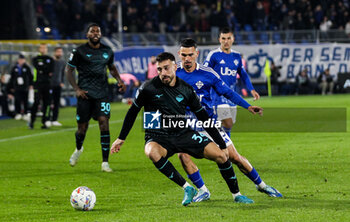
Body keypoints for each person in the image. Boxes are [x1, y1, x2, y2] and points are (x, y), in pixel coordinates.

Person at [110, 52, 262, 206]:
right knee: (151, 152)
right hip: (158, 136)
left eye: (166, 68)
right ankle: (187, 188)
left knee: (222, 156)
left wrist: (222, 145)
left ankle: (237, 195)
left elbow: (203, 117)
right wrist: (121, 138)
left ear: (175, 67)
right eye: (160, 70)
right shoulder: (147, 88)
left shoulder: (186, 89)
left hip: (183, 133)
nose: (163, 73)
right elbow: (132, 113)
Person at [176, 38, 282, 202]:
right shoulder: (173, 74)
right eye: (184, 55)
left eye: (190, 55)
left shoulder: (207, 74)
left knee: (234, 157)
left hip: (209, 124)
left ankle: (261, 185)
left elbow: (227, 92)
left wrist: (247, 106)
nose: (187, 59)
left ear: (196, 54)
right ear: (179, 54)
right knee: (182, 155)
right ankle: (202, 190)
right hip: (188, 125)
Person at [66, 23, 125, 172]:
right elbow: (69, 70)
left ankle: (105, 162)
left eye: (98, 31)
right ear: (87, 34)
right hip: (85, 95)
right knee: (82, 129)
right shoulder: (79, 51)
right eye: (92, 31)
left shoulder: (107, 51)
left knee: (104, 123)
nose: (95, 33)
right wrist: (77, 89)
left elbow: (111, 67)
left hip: (102, 94)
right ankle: (79, 149)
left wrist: (119, 80)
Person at [203, 27, 260, 138]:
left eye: (228, 38)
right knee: (228, 122)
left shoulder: (237, 56)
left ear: (233, 39)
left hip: (231, 95)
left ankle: (226, 150)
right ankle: (206, 128)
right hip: (217, 96)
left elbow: (243, 74)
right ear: (219, 39)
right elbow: (204, 72)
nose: (226, 41)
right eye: (223, 38)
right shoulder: (213, 55)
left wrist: (252, 90)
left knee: (229, 126)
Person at [29, 44, 54, 129]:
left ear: (47, 49)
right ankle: (31, 121)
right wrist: (45, 69)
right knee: (36, 102)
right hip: (38, 84)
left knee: (47, 103)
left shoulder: (50, 59)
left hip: (47, 84)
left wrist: (42, 69)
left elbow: (50, 70)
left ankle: (45, 121)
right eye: (41, 48)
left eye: (44, 48)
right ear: (39, 49)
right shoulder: (35, 59)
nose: (43, 49)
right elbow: (39, 67)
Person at [7, 54, 33, 121]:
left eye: (22, 60)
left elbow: (30, 77)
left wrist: (31, 85)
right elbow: (12, 78)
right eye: (20, 60)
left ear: (24, 60)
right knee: (17, 100)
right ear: (18, 60)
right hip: (17, 87)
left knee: (25, 101)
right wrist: (11, 87)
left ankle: (25, 113)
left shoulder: (27, 67)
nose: (21, 61)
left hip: (25, 87)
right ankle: (18, 113)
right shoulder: (15, 68)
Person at [48, 47, 65, 126]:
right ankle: (47, 119)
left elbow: (62, 73)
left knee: (56, 103)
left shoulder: (62, 62)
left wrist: (62, 82)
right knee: (48, 102)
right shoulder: (50, 61)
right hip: (50, 85)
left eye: (61, 52)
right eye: (58, 51)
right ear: (55, 52)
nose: (59, 53)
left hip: (58, 85)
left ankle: (54, 119)